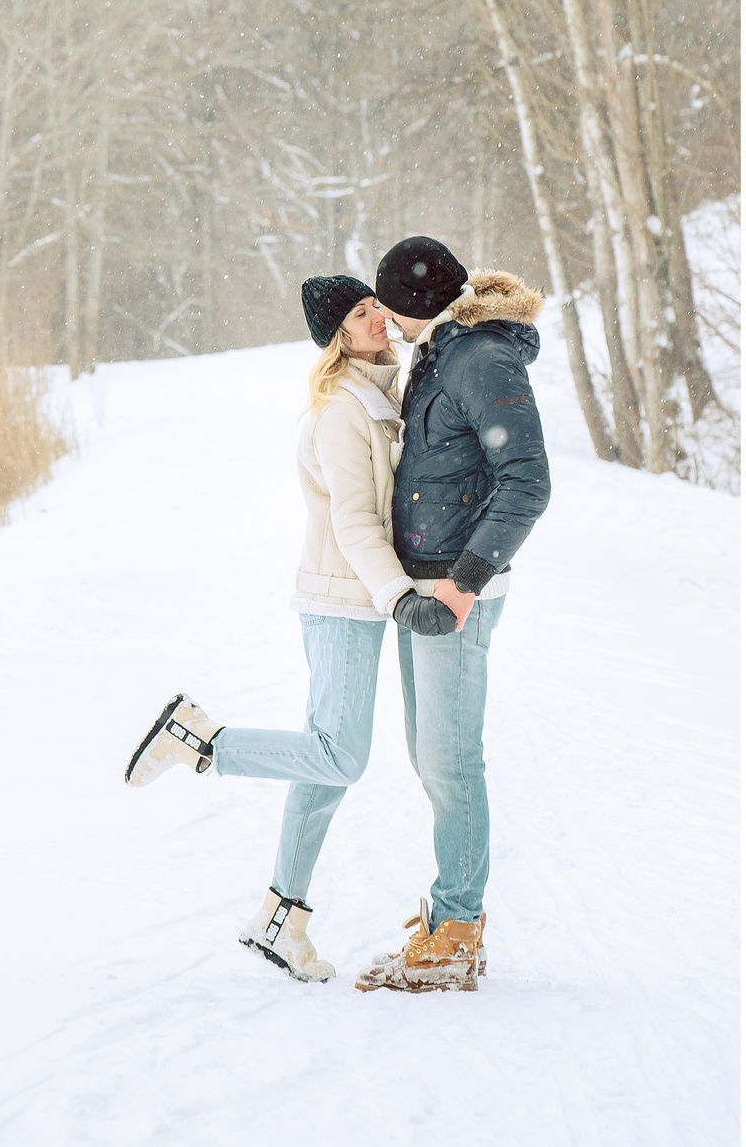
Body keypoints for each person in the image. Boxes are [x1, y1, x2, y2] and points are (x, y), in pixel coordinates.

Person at [122, 274, 464, 983]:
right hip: (344, 598)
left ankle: (282, 921)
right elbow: (354, 520)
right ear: (337, 335)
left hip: (353, 597)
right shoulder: (342, 409)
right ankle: (199, 741)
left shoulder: (377, 397)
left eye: (375, 305)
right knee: (340, 757)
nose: (375, 317)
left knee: (322, 765)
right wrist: (399, 597)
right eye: (359, 313)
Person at [348, 235, 550, 992]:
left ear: (415, 302)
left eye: (391, 308)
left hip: (453, 592)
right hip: (425, 585)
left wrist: (463, 585)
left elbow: (527, 480)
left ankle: (458, 933)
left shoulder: (477, 357)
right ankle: (445, 919)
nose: (389, 325)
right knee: (432, 756)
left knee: (452, 760)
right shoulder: (446, 350)